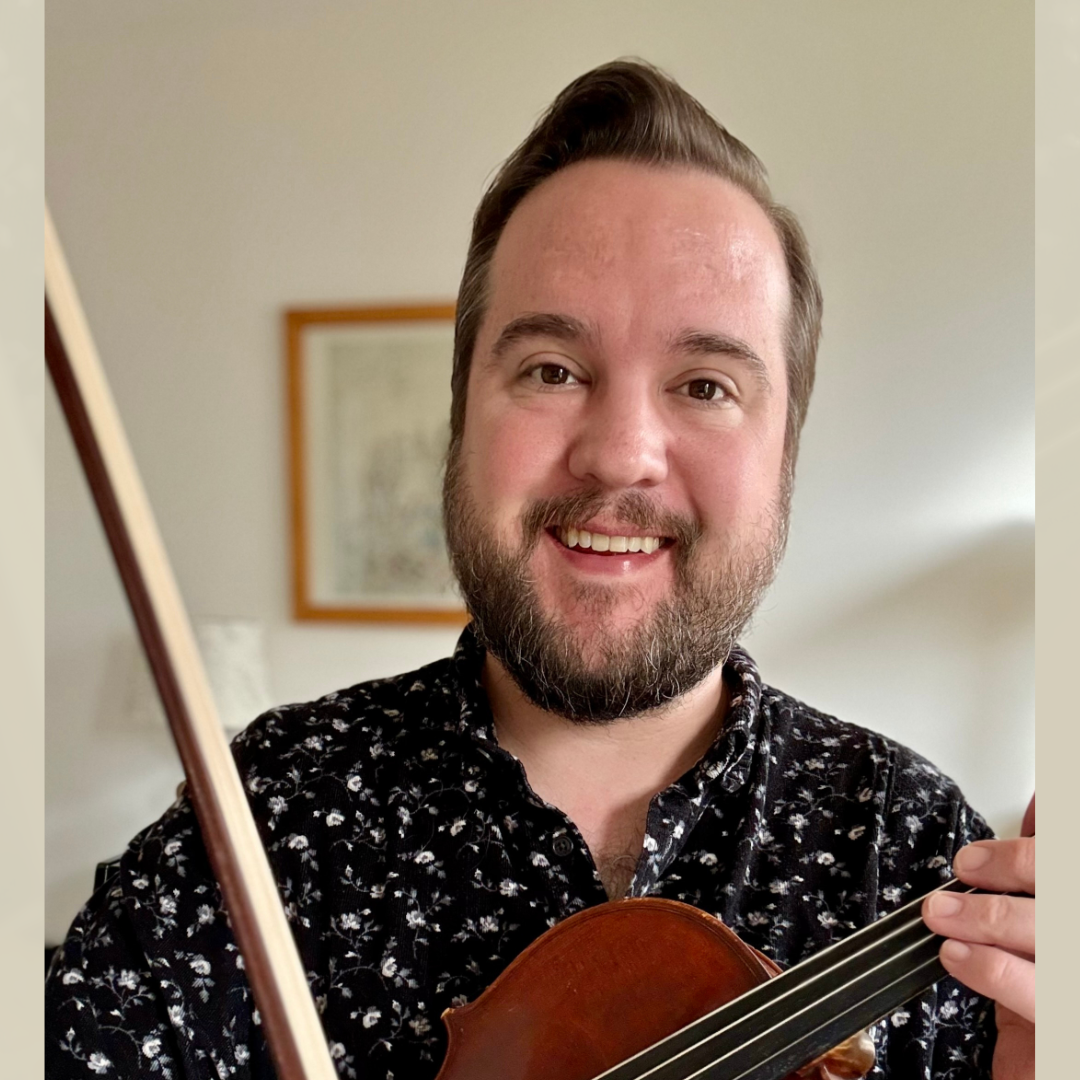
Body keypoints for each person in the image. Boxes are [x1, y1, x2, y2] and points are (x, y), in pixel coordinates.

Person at [46, 60, 1034, 1080]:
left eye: (705, 384)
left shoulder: (918, 855)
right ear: (462, 418)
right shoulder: (262, 823)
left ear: (785, 452)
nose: (619, 454)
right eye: (552, 370)